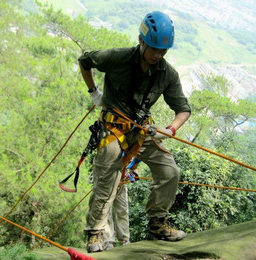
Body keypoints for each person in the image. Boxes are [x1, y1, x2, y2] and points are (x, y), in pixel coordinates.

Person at [78, 11, 191, 253]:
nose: (157, 55)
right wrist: (94, 92)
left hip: (142, 131)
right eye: (153, 49)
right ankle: (95, 233)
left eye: (163, 51)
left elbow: (183, 110)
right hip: (113, 127)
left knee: (170, 170)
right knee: (107, 175)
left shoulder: (167, 74)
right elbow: (84, 60)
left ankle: (158, 223)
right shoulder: (117, 57)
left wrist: (170, 129)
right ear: (141, 40)